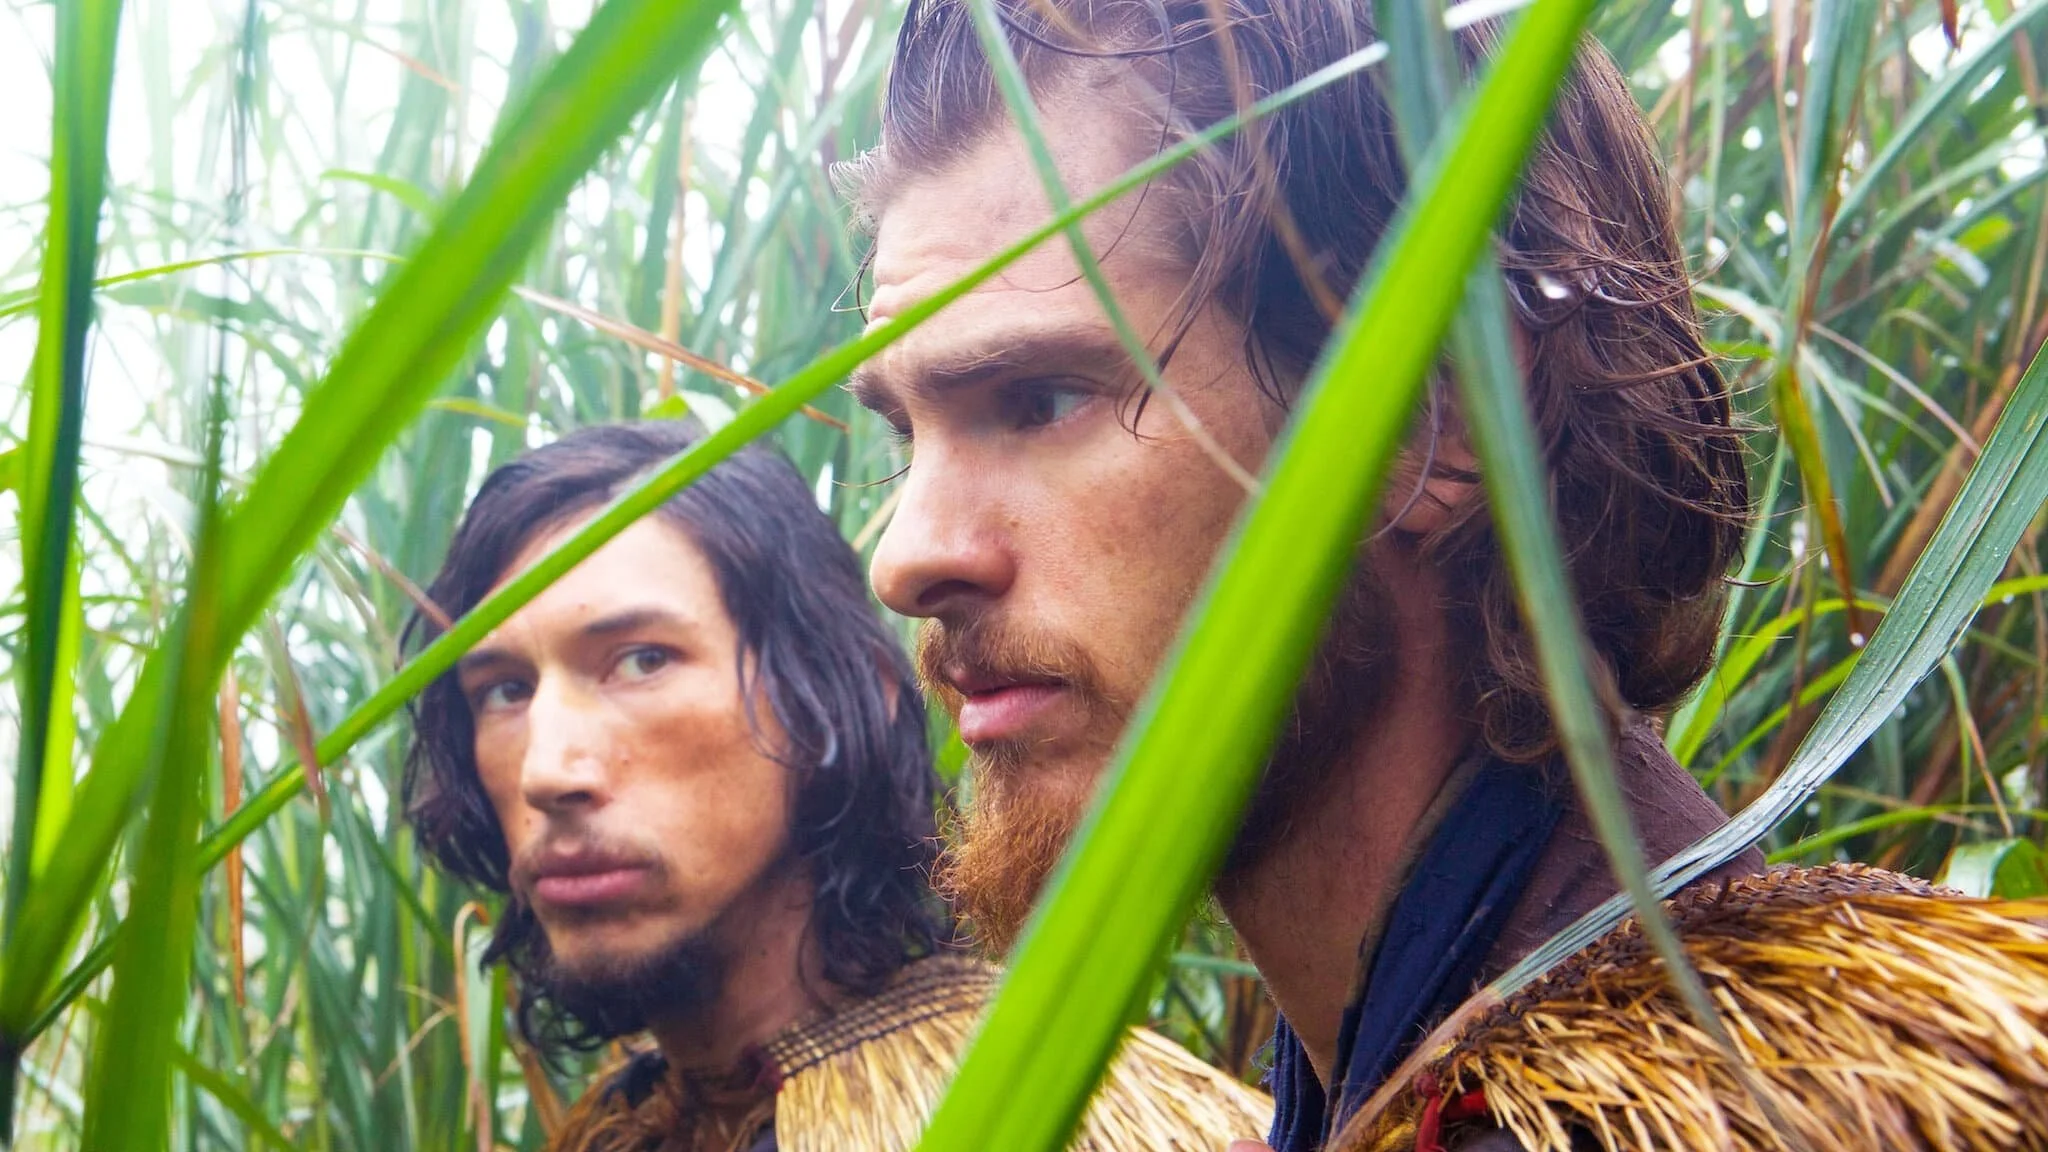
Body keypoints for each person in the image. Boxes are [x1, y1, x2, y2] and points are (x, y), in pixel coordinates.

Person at [839, 1, 2048, 1149]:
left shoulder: (1751, 1114)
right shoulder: (1419, 1085)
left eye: (1039, 400)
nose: (906, 558)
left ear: (1442, 417)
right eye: (903, 432)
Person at [401, 421, 1272, 1151]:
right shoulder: (625, 1123)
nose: (548, 771)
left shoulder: (1060, 1113)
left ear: (836, 701)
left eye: (642, 660)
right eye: (503, 691)